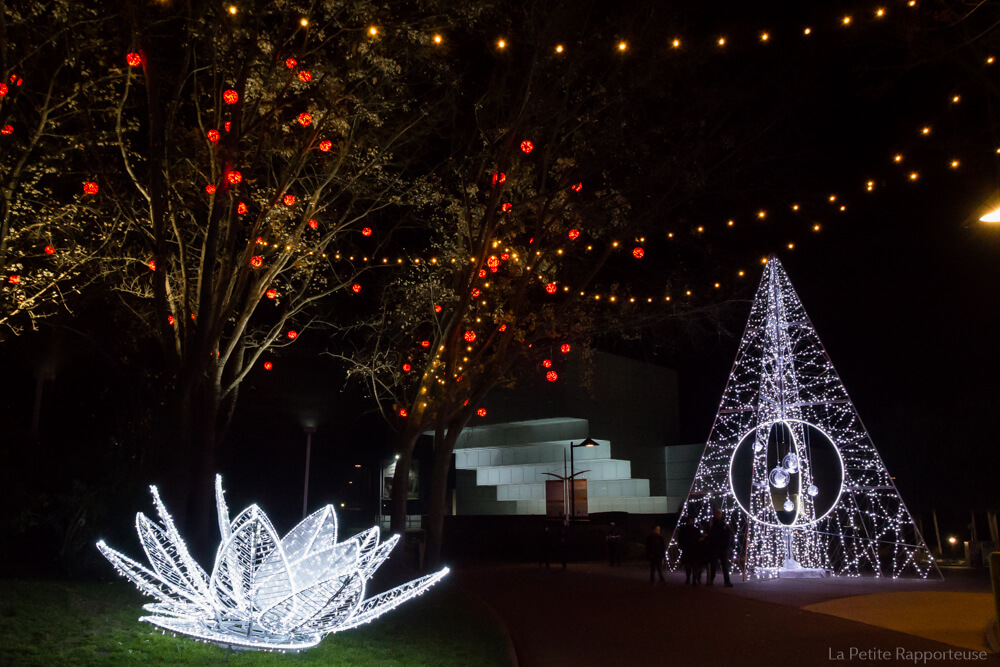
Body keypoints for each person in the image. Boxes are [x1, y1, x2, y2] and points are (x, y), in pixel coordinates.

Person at [707, 509, 734, 587]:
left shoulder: (723, 523)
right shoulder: (711, 522)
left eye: (719, 513)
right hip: (714, 547)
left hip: (722, 547)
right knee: (713, 565)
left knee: (724, 565)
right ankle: (711, 579)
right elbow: (710, 533)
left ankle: (727, 581)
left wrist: (726, 545)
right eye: (717, 513)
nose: (718, 515)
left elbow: (728, 534)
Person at [675, 516, 702, 585]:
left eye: (691, 521)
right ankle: (688, 578)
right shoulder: (684, 530)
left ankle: (693, 579)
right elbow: (680, 539)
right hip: (687, 550)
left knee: (694, 566)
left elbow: (699, 539)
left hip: (694, 550)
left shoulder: (695, 530)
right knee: (688, 566)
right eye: (689, 521)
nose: (690, 522)